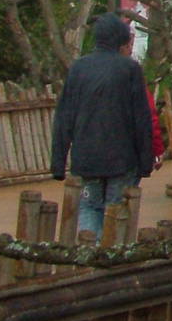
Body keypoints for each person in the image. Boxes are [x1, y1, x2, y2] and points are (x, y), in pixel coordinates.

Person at [51, 12, 155, 237]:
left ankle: (90, 256)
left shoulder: (78, 69)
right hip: (122, 158)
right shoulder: (130, 70)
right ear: (121, 39)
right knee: (115, 210)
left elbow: (64, 117)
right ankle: (110, 259)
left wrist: (58, 162)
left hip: (86, 158)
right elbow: (142, 119)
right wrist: (146, 161)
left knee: (88, 207)